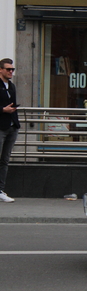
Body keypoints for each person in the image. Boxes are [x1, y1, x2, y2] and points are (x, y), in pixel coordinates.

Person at [0, 58, 20, 203]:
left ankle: (0, 190)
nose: (11, 72)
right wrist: (2, 110)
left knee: (5, 160)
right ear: (0, 70)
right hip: (1, 126)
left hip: (12, 126)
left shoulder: (11, 86)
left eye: (12, 69)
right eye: (8, 69)